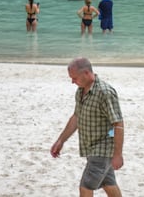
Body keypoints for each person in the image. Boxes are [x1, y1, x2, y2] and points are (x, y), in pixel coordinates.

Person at [50, 57, 124, 197]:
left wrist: (118, 154)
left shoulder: (105, 92)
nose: (72, 82)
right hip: (90, 148)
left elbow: (118, 124)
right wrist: (61, 141)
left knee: (85, 186)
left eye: (74, 78)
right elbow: (76, 117)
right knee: (109, 184)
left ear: (86, 73)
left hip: (103, 149)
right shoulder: (81, 91)